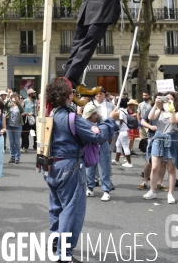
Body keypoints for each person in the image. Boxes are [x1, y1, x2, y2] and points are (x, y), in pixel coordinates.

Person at [43, 77, 118, 262]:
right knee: (72, 210)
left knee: (57, 207)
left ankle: (56, 242)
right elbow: (97, 134)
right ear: (68, 95)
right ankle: (64, 254)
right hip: (70, 166)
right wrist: (110, 121)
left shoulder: (50, 115)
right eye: (72, 93)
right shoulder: (70, 117)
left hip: (52, 166)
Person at [144, 91, 178, 203]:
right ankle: (152, 190)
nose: (167, 100)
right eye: (166, 98)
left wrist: (170, 107)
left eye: (170, 98)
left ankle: (170, 193)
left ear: (175, 100)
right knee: (155, 167)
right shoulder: (159, 110)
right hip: (158, 139)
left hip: (172, 139)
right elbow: (150, 117)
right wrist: (156, 104)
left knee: (170, 168)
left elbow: (173, 121)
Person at [85, 89, 116, 201]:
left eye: (101, 93)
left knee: (104, 166)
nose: (98, 95)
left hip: (104, 140)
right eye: (96, 94)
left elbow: (114, 123)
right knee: (89, 165)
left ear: (104, 95)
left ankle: (106, 190)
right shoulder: (88, 105)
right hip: (90, 140)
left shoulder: (111, 106)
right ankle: (90, 187)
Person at [113, 98, 134, 168]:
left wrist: (116, 125)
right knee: (118, 145)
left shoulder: (120, 111)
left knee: (125, 146)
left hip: (123, 131)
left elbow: (121, 120)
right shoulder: (125, 111)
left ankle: (129, 162)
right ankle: (117, 159)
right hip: (124, 131)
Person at [6, 94, 24, 164]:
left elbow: (22, 110)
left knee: (17, 142)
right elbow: (4, 106)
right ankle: (12, 157)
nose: (14, 99)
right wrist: (8, 98)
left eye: (16, 98)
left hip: (18, 126)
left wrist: (17, 103)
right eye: (13, 98)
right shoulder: (9, 105)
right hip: (9, 126)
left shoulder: (19, 106)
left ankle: (17, 158)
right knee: (11, 142)